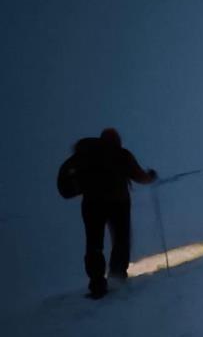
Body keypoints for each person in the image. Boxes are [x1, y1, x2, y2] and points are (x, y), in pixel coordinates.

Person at [57, 128, 157, 299]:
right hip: (119, 204)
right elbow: (138, 175)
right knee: (121, 239)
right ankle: (117, 276)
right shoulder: (121, 155)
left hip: (92, 205)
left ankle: (97, 284)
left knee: (94, 244)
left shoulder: (86, 157)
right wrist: (150, 177)